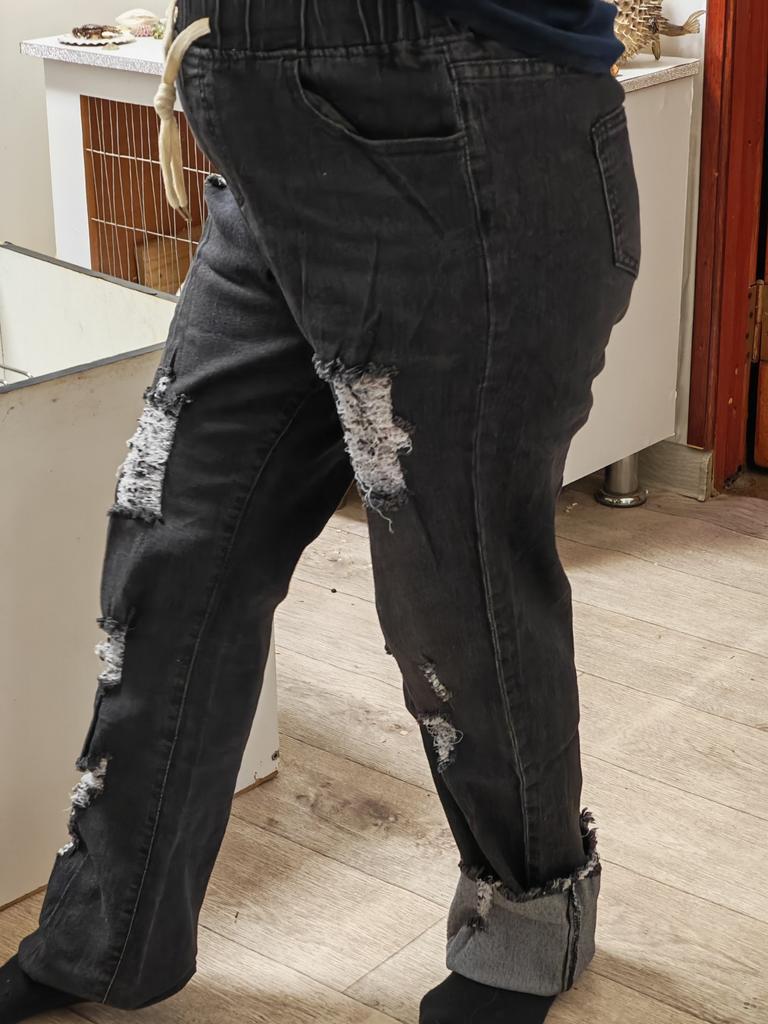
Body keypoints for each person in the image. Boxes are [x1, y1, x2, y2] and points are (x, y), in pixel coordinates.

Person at [0, 1, 639, 1022]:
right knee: (177, 543)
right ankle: (105, 934)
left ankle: (529, 922)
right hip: (266, 152)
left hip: (450, 123)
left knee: (454, 585)